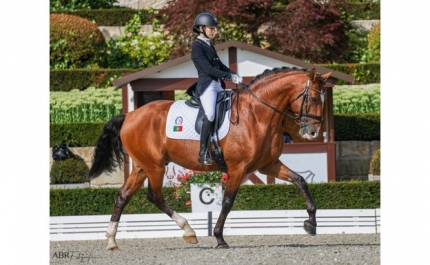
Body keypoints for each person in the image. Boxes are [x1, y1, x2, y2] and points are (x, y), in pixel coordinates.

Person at [191, 12, 243, 165]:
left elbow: (219, 65)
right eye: (211, 28)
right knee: (211, 114)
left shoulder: (208, 44)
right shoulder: (197, 47)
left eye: (214, 29)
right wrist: (229, 77)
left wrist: (234, 74)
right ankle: (202, 152)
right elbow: (208, 69)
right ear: (201, 28)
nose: (214, 31)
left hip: (218, 85)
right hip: (207, 86)